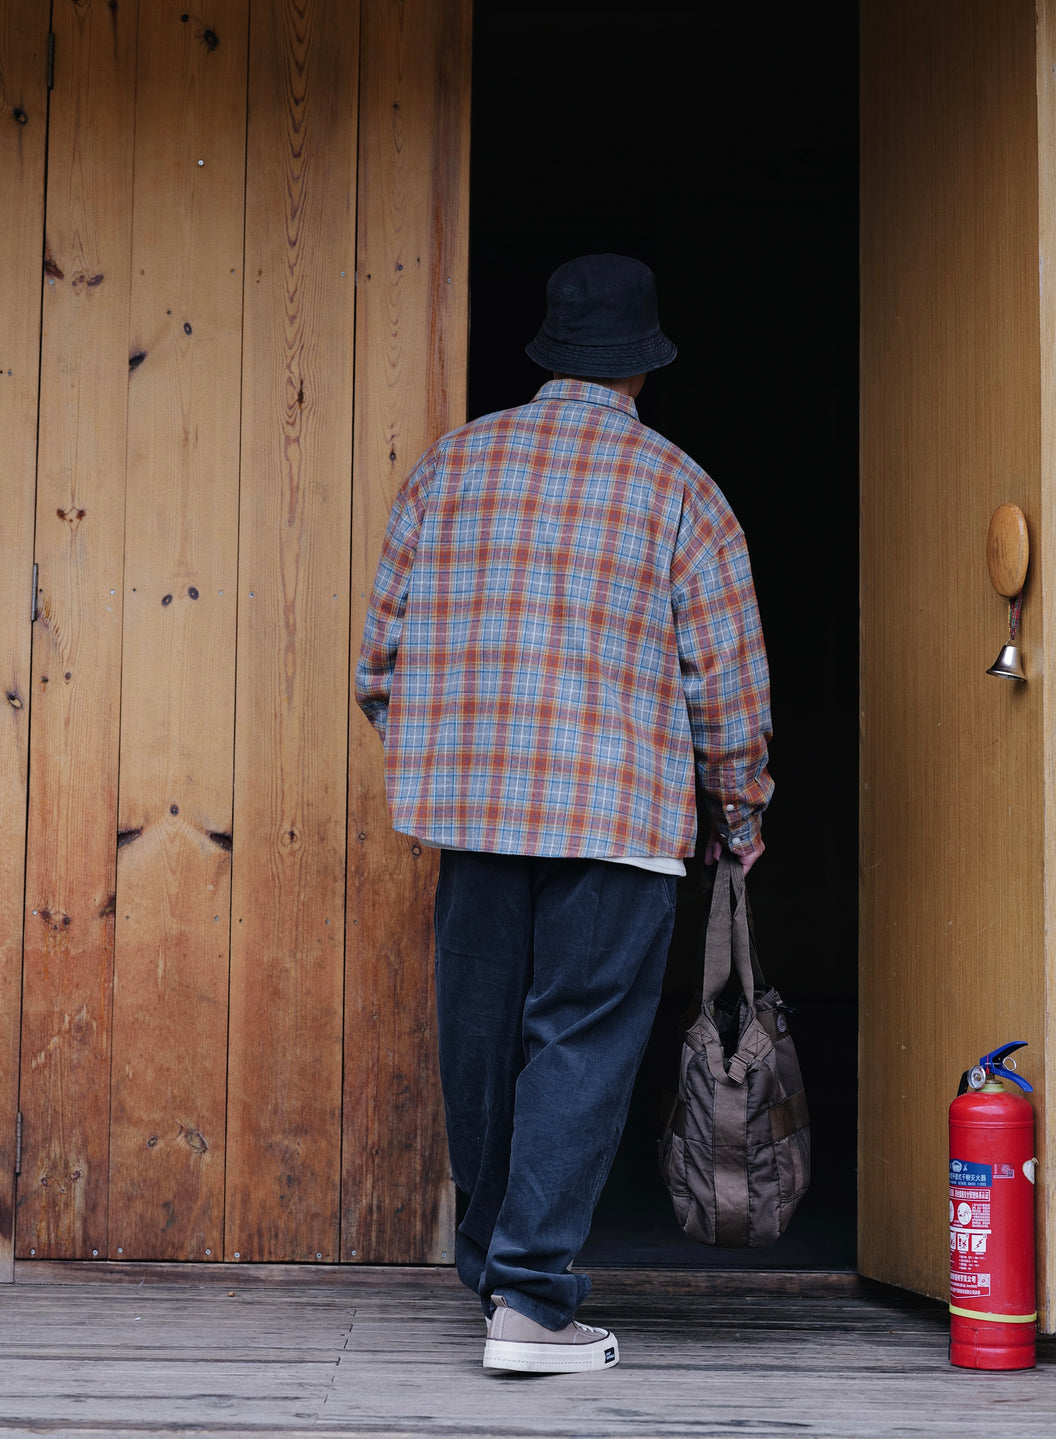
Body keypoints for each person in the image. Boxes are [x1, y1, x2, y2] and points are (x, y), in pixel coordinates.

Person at [356, 253, 772, 1374]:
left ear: (547, 357)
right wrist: (741, 804)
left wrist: (445, 756)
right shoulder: (679, 488)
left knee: (482, 1038)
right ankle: (532, 1302)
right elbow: (726, 685)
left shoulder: (451, 467)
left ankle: (501, 1268)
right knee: (579, 1039)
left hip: (474, 810)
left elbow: (378, 662)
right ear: (643, 369)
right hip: (618, 816)